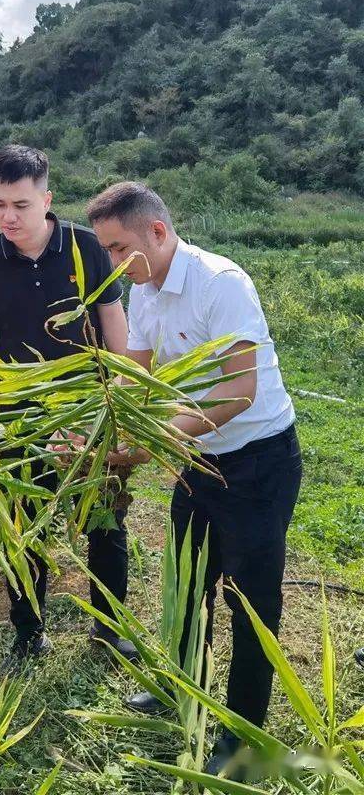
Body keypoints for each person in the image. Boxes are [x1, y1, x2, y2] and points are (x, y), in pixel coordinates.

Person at [86, 181, 301, 776]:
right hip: (198, 461)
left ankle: (243, 734)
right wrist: (108, 435)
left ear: (157, 231)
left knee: (251, 602)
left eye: (117, 246)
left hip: (257, 460)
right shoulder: (144, 291)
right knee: (188, 580)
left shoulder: (220, 283)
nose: (112, 262)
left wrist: (156, 440)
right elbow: (137, 377)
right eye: (104, 249)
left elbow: (240, 389)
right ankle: (182, 687)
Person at [0, 144, 135, 671]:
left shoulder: (86, 247)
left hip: (89, 412)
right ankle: (28, 631)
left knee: (105, 522)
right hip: (20, 416)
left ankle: (108, 628)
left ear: (47, 200)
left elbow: (113, 320)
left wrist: (122, 400)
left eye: (20, 205)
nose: (8, 217)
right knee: (22, 523)